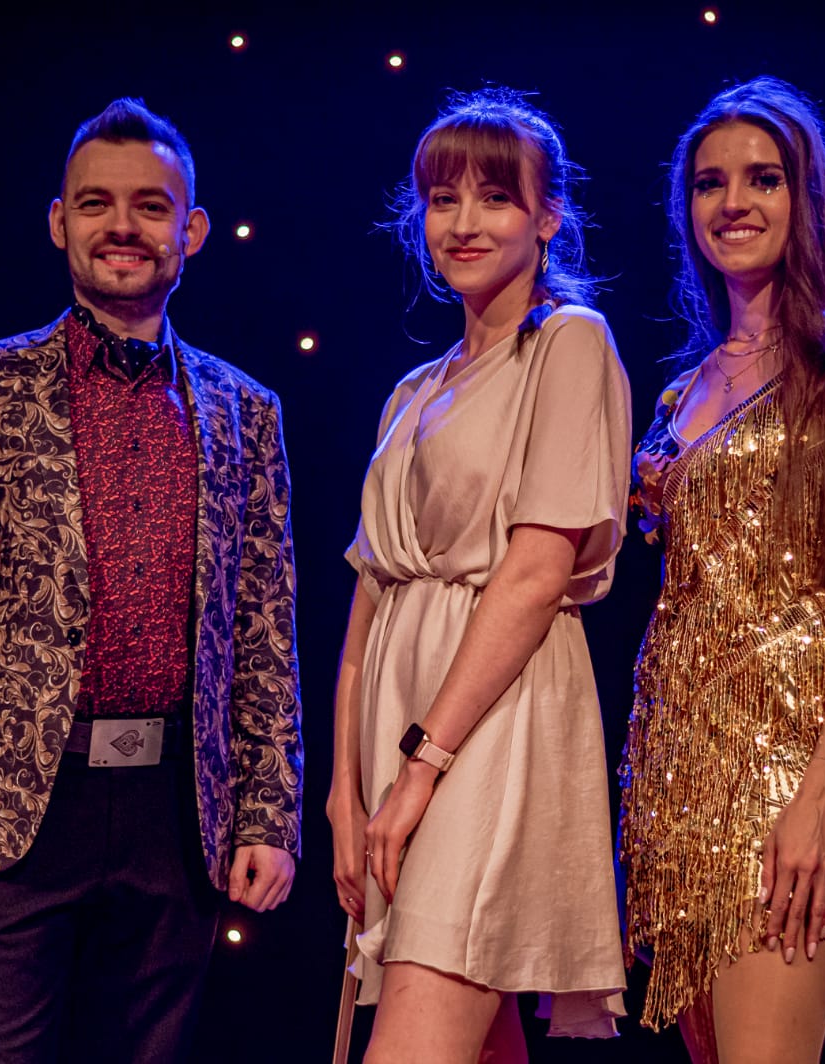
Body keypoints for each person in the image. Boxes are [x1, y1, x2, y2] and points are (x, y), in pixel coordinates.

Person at [0, 97, 302, 1062]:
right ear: (57, 221)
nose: (123, 226)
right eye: (95, 203)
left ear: (191, 230)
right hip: (18, 807)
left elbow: (264, 628)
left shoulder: (246, 410)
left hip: (177, 811)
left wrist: (268, 813)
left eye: (151, 206)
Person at [619, 76, 825, 1062]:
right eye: (709, 183)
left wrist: (821, 794)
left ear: (806, 197)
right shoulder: (680, 391)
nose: (733, 202)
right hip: (672, 769)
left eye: (763, 178)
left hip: (786, 758)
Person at [326, 88, 631, 1062]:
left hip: (490, 722)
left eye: (495, 197)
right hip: (401, 728)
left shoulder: (569, 342)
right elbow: (370, 599)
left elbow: (537, 572)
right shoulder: (412, 392)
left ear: (547, 218)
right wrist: (343, 788)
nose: (462, 221)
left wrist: (423, 764)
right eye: (441, 198)